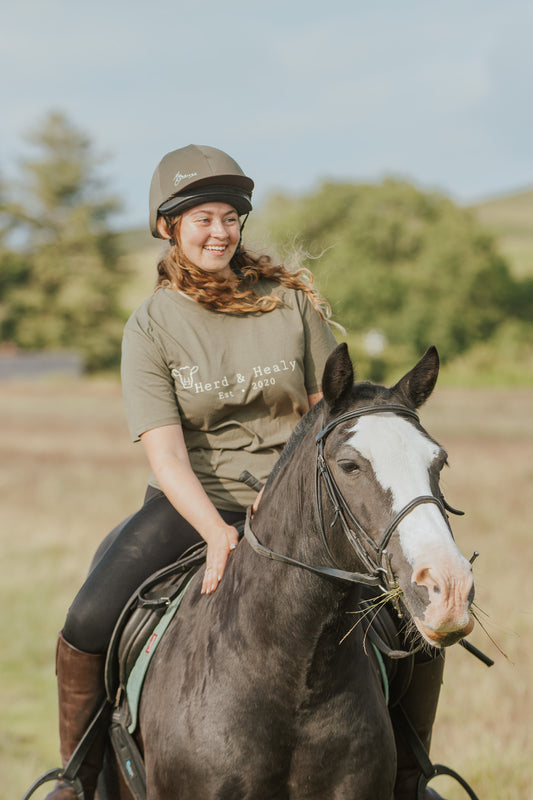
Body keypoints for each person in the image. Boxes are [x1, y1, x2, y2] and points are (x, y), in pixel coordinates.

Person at [44, 144, 445, 800]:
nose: (219, 231)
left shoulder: (289, 303)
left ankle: (409, 777)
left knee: (413, 614)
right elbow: (166, 454)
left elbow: (330, 417)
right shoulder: (150, 326)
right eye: (201, 218)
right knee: (88, 620)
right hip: (193, 502)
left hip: (301, 503)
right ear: (169, 229)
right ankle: (76, 781)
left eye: (230, 217)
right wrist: (216, 532)